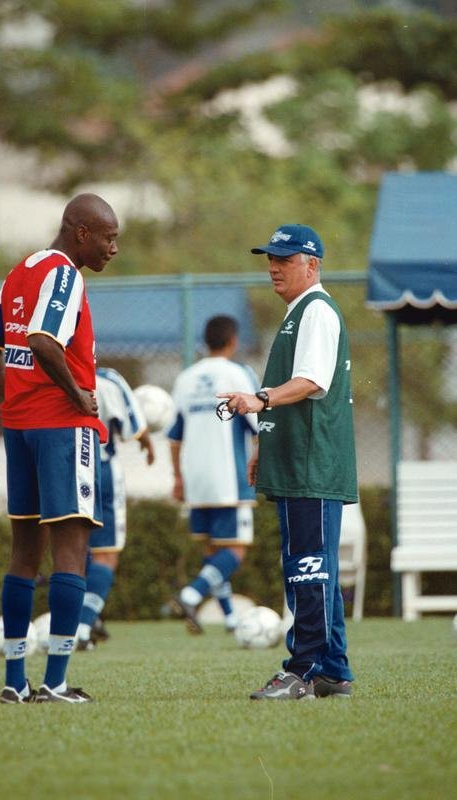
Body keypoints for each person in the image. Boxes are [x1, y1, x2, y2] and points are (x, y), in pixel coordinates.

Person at [0, 193, 119, 704]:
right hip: (61, 427)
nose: (113, 249)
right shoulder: (63, 273)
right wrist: (78, 396)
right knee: (72, 550)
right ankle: (54, 682)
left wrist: (13, 395)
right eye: (109, 237)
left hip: (21, 427)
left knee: (24, 552)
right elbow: (42, 339)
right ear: (81, 232)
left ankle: (14, 682)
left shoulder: (21, 270)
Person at [219, 223, 358, 701]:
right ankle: (332, 671)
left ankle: (303, 668)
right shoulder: (299, 312)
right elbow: (295, 389)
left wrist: (259, 399)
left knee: (309, 569)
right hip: (297, 458)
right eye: (270, 258)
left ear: (312, 265)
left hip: (312, 462)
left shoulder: (316, 310)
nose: (273, 267)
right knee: (314, 568)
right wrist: (265, 443)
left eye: (285, 258)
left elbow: (312, 382)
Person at [168, 315, 259, 634]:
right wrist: (259, 458)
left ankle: (231, 618)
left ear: (205, 342)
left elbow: (175, 435)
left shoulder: (186, 378)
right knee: (234, 550)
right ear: (233, 340)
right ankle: (190, 594)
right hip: (229, 476)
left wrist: (178, 477)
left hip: (196, 478)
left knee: (213, 553)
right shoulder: (239, 374)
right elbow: (258, 422)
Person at [76, 366, 154, 651]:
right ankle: (82, 629)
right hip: (102, 470)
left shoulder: (48, 375)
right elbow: (136, 427)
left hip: (63, 470)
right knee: (106, 554)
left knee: (72, 550)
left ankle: (74, 621)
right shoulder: (108, 379)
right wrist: (147, 442)